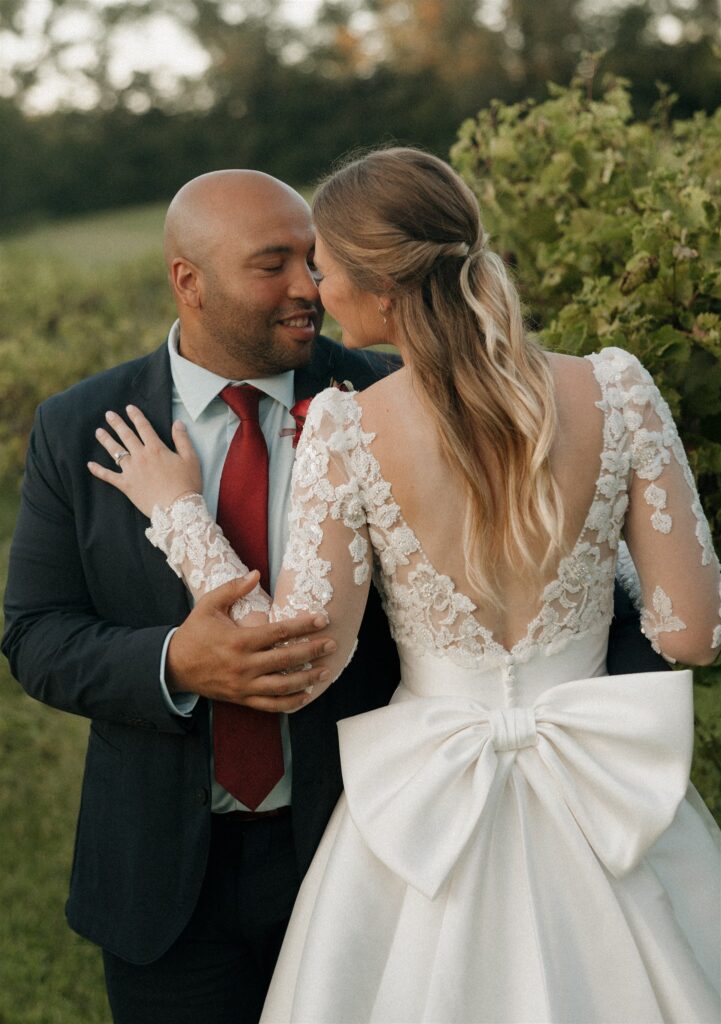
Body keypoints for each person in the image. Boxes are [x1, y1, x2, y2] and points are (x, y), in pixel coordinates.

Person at [86, 147, 721, 1023]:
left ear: (380, 290)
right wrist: (590, 541)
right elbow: (692, 633)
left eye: (325, 264)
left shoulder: (347, 427)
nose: (315, 285)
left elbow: (296, 663)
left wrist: (178, 515)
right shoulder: (614, 387)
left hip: (422, 805)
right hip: (605, 795)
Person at [1, 170, 402, 1024]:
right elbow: (34, 634)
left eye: (312, 259)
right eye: (272, 266)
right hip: (161, 878)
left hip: (366, 849)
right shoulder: (80, 425)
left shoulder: (386, 395)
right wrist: (173, 660)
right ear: (189, 281)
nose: (308, 288)